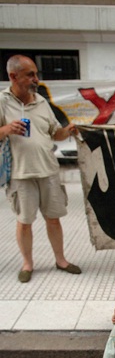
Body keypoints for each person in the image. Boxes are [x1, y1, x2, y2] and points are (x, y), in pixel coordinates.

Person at [0, 54, 81, 283]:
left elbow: (55, 133)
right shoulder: (3, 101)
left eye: (36, 74)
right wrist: (6, 129)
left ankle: (61, 260)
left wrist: (69, 130)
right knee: (24, 221)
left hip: (49, 171)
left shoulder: (41, 101)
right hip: (20, 174)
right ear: (13, 76)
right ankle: (27, 264)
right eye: (30, 74)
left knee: (53, 218)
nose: (36, 79)